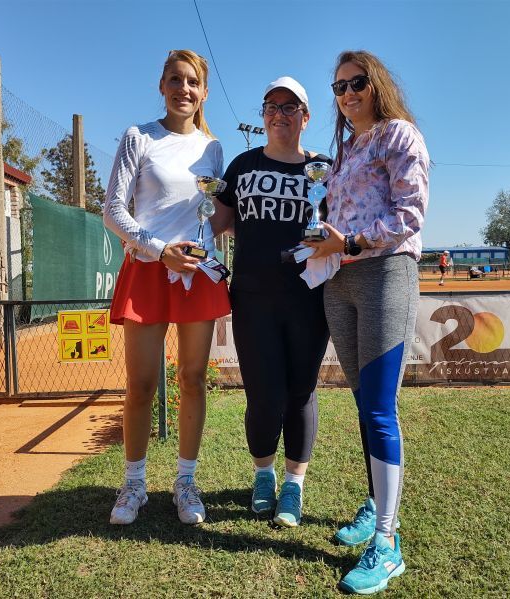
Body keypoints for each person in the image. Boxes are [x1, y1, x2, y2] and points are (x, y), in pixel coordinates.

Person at [305, 50, 429, 594]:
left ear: (376, 84)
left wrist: (351, 241)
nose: (348, 93)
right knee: (363, 405)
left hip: (384, 275)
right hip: (339, 280)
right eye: (338, 87)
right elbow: (337, 216)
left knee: (379, 409)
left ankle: (387, 541)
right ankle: (378, 504)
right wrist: (320, 237)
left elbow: (410, 215)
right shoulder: (346, 149)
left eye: (356, 83)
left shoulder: (400, 135)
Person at [102, 49, 229, 526]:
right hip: (149, 268)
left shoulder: (213, 149)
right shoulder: (139, 136)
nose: (184, 89)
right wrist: (159, 250)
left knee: (193, 380)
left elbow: (212, 216)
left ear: (204, 92)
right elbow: (113, 210)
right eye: (175, 80)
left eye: (192, 82)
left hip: (197, 272)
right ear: (162, 85)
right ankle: (134, 485)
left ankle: (186, 483)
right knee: (141, 384)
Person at [211, 77, 330, 528]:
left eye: (289, 106)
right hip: (253, 297)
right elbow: (216, 222)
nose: (279, 114)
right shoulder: (243, 165)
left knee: (300, 391)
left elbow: (340, 224)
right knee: (262, 393)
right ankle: (264, 475)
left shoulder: (324, 168)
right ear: (263, 115)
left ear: (305, 116)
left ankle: (294, 484)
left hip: (308, 298)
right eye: (271, 106)